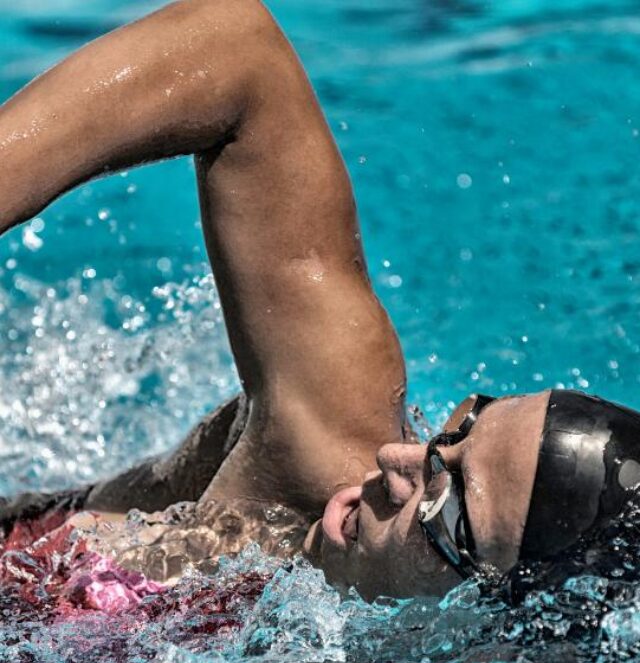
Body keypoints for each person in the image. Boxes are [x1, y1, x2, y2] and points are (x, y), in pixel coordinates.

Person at [1, 0, 639, 604]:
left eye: (448, 503)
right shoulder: (317, 462)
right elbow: (237, 55)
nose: (395, 461)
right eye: (454, 432)